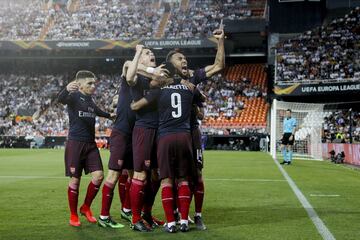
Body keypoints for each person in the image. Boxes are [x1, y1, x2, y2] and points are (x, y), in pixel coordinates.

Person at [130, 25, 224, 233]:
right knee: (167, 176)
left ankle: (193, 216)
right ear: (170, 63)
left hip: (189, 131)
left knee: (194, 176)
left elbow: (218, 66)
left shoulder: (192, 76)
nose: (185, 61)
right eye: (180, 59)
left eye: (185, 59)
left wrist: (220, 42)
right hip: (170, 131)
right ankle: (170, 215)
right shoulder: (164, 76)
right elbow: (132, 68)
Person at [57, 70, 115, 227]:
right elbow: (61, 100)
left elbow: (100, 112)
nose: (93, 86)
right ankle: (73, 214)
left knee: (99, 176)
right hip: (75, 143)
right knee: (75, 180)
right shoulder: (74, 97)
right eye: (90, 83)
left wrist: (113, 115)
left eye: (94, 83)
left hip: (90, 144)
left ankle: (85, 207)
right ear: (80, 85)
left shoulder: (90, 100)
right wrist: (67, 89)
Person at [97, 63, 135, 229]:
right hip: (121, 134)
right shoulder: (126, 85)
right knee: (114, 175)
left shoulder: (140, 86)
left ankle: (126, 209)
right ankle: (104, 216)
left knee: (135, 176)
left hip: (135, 135)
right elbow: (126, 65)